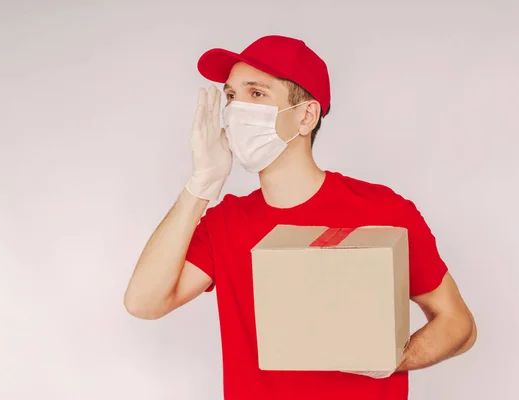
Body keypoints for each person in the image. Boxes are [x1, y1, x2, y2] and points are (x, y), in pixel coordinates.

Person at [124, 35, 477, 400]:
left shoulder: (383, 211)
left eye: (256, 94)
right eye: (230, 97)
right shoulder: (225, 222)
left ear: (306, 115)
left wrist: (397, 359)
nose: (235, 110)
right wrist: (200, 185)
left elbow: (458, 324)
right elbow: (144, 302)